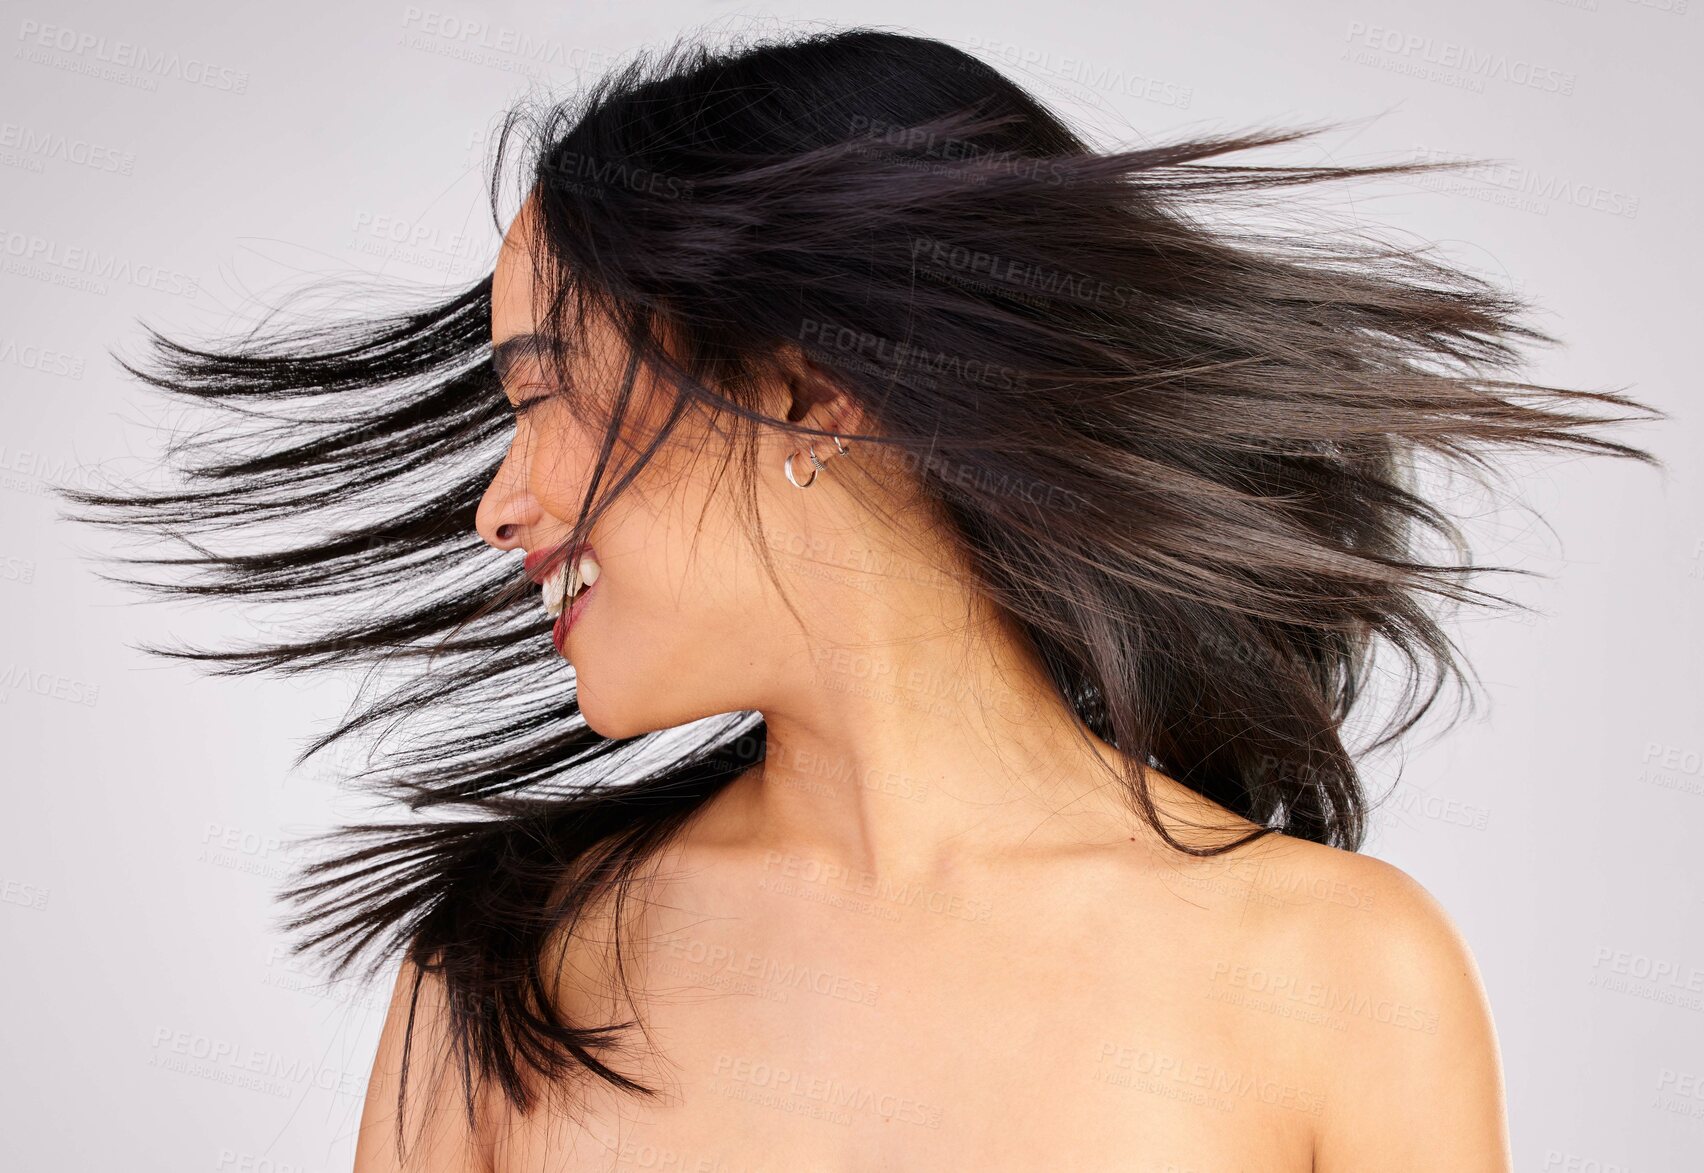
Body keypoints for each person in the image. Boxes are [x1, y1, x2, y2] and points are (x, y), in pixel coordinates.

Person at [70, 25, 1662, 1173]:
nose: (502, 502)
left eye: (545, 392)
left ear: (808, 393)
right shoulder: (505, 970)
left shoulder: (1341, 974)